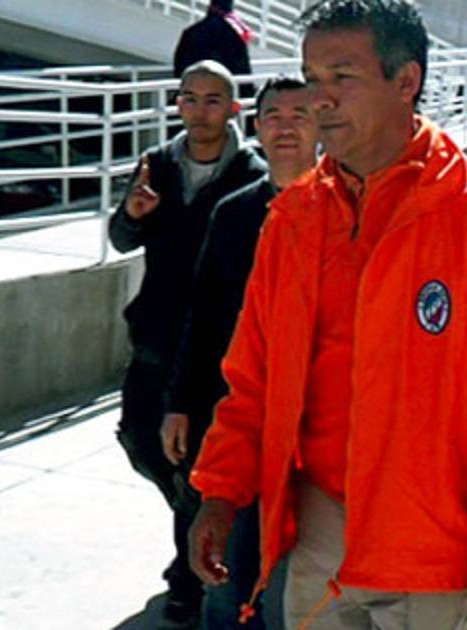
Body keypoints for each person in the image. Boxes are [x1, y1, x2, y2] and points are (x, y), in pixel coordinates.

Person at [185, 2, 467, 629]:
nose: (321, 99)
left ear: (406, 82)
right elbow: (253, 378)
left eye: (342, 77)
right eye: (311, 78)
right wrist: (220, 492)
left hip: (440, 551)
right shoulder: (293, 220)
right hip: (321, 534)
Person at [108, 59, 267, 629]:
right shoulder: (158, 164)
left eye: (213, 99)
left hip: (211, 347)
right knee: (141, 441)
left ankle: (188, 578)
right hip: (156, 336)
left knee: (196, 464)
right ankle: (190, 533)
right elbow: (121, 236)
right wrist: (133, 214)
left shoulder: (252, 174)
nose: (199, 111)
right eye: (189, 98)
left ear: (234, 108)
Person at [162, 76, 318, 630]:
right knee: (228, 583)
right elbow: (202, 314)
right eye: (274, 116)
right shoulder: (233, 213)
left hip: (317, 425)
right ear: (256, 126)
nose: (285, 127)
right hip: (238, 418)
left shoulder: (348, 209)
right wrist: (180, 403)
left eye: (300, 115)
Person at [173, 0, 253, 84]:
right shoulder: (235, 37)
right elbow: (242, 72)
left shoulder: (191, 32)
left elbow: (179, 67)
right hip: (222, 86)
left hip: (192, 84)